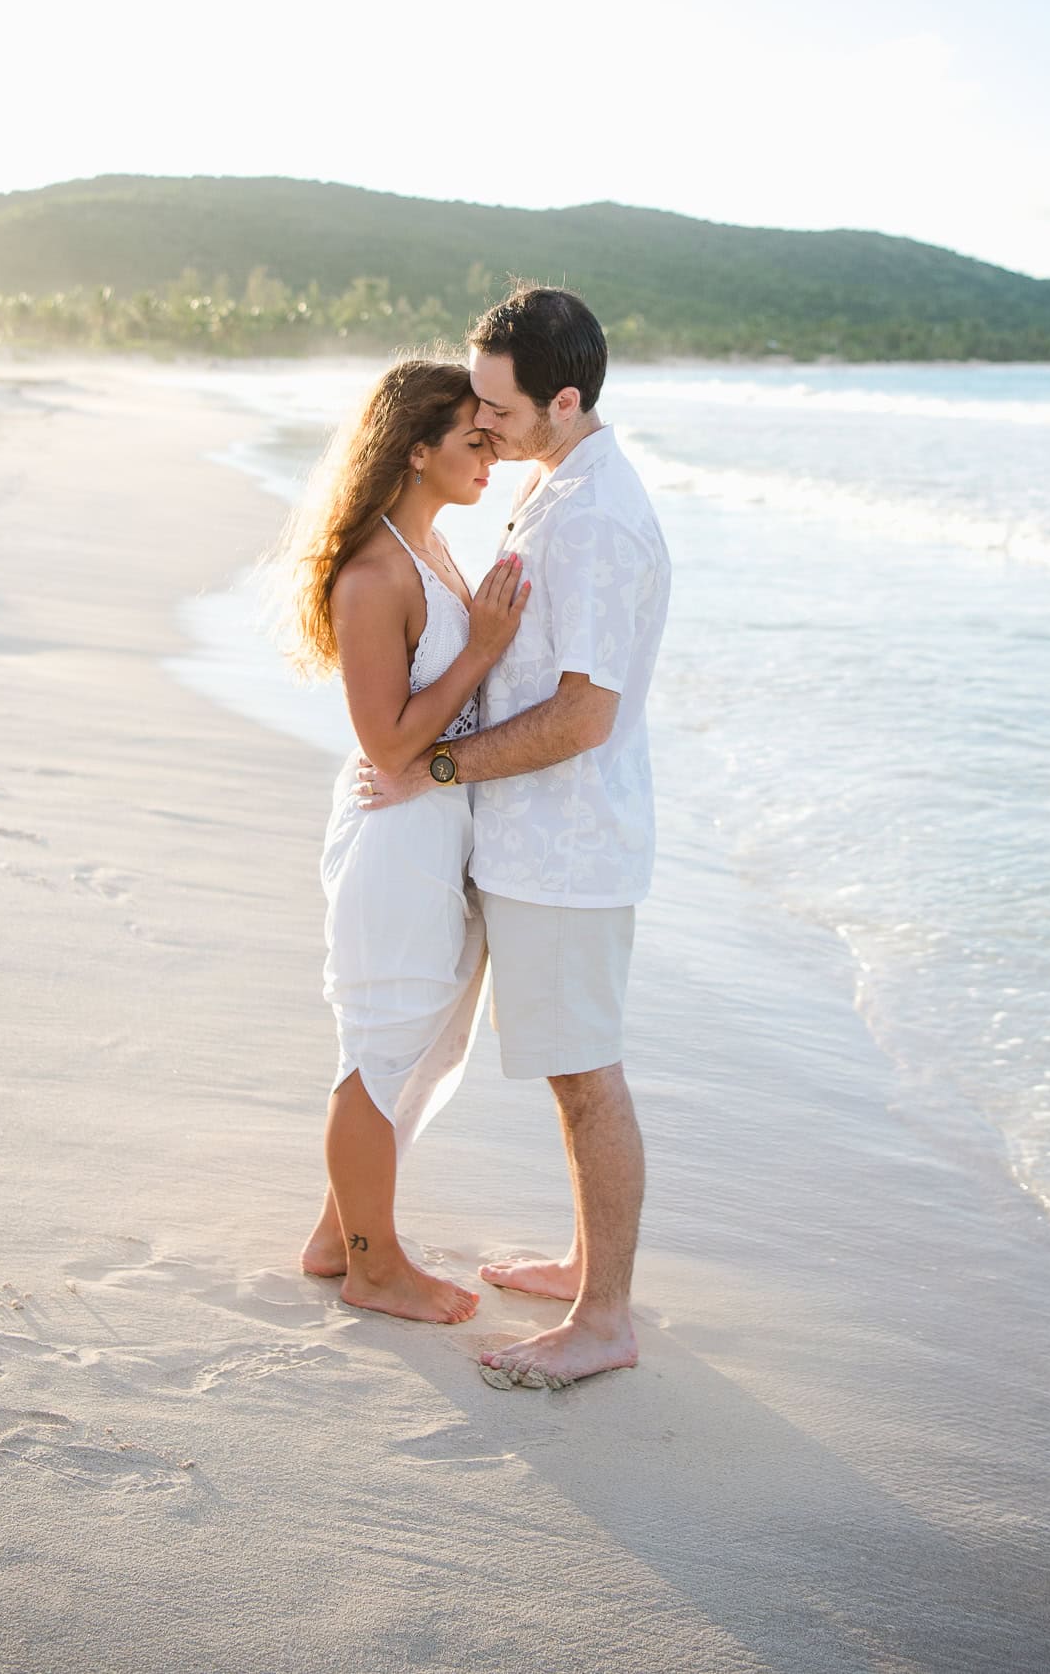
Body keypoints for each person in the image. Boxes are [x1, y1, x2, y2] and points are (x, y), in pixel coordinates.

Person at [358, 287, 671, 1388]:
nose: (480, 422)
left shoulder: (593, 515)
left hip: (569, 847)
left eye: (498, 404)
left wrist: (437, 763)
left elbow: (586, 713)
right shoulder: (558, 485)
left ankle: (607, 1316)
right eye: (475, 400)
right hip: (534, 842)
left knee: (587, 1076)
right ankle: (589, 1261)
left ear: (566, 398)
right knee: (568, 1070)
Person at [280, 358, 529, 1325]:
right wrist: (481, 650)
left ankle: (334, 1233)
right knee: (381, 1049)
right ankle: (374, 1266)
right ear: (415, 449)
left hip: (434, 823)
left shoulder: (432, 548)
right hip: (398, 834)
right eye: (476, 439)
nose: (492, 455)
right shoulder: (377, 571)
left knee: (424, 1049)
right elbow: (384, 742)